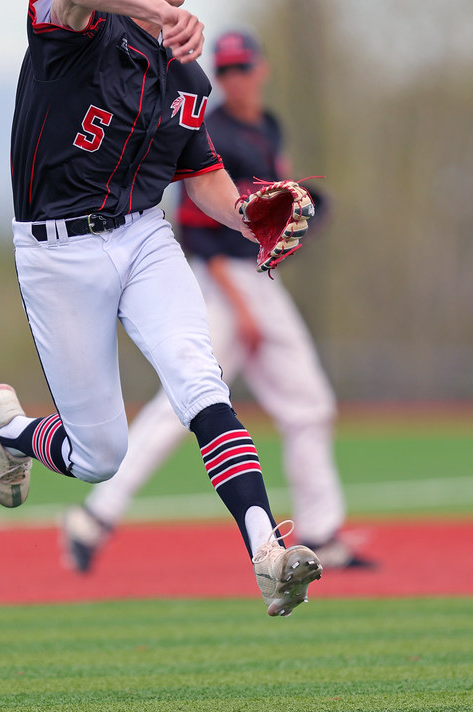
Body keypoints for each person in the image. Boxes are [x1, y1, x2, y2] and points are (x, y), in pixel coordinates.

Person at [0, 0, 322, 618]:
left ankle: (266, 551)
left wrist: (249, 215)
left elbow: (203, 178)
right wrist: (155, 13)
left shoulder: (187, 77)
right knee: (99, 455)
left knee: (200, 379)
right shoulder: (76, 35)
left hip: (141, 238)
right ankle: (10, 432)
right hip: (58, 254)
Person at [62, 28, 374, 574]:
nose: (234, 78)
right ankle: (95, 516)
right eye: (225, 70)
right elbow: (198, 233)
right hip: (221, 282)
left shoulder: (267, 126)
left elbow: (277, 192)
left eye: (242, 67)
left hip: (259, 282)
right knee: (183, 404)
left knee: (309, 404)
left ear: (261, 69)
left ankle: (322, 533)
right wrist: (242, 308)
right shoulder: (216, 132)